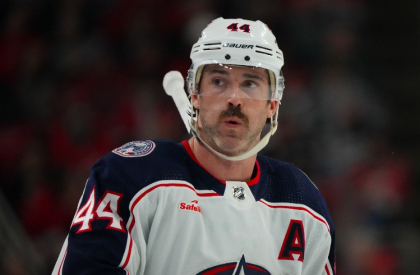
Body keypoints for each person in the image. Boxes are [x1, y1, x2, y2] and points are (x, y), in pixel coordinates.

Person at [52, 17, 336, 274]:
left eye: (250, 83)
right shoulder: (131, 176)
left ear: (273, 104)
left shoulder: (302, 203)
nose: (234, 98)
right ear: (195, 95)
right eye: (218, 81)